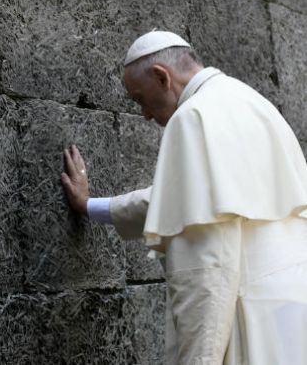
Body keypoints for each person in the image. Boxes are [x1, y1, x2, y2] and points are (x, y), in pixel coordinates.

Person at [61, 31, 307, 365]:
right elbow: (184, 202)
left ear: (162, 77)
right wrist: (89, 205)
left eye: (140, 99)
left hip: (248, 316)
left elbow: (207, 264)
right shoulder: (253, 102)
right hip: (294, 309)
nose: (145, 114)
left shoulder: (192, 116)